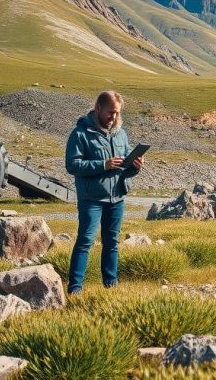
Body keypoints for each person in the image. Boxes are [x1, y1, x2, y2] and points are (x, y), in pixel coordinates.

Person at [65, 90, 143, 293]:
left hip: (117, 197)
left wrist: (135, 166)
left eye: (117, 113)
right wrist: (103, 165)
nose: (114, 117)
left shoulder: (121, 134)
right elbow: (72, 165)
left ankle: (111, 285)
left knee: (112, 243)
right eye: (111, 112)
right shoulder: (80, 133)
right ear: (98, 108)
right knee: (85, 241)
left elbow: (125, 167)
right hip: (91, 198)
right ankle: (75, 289)